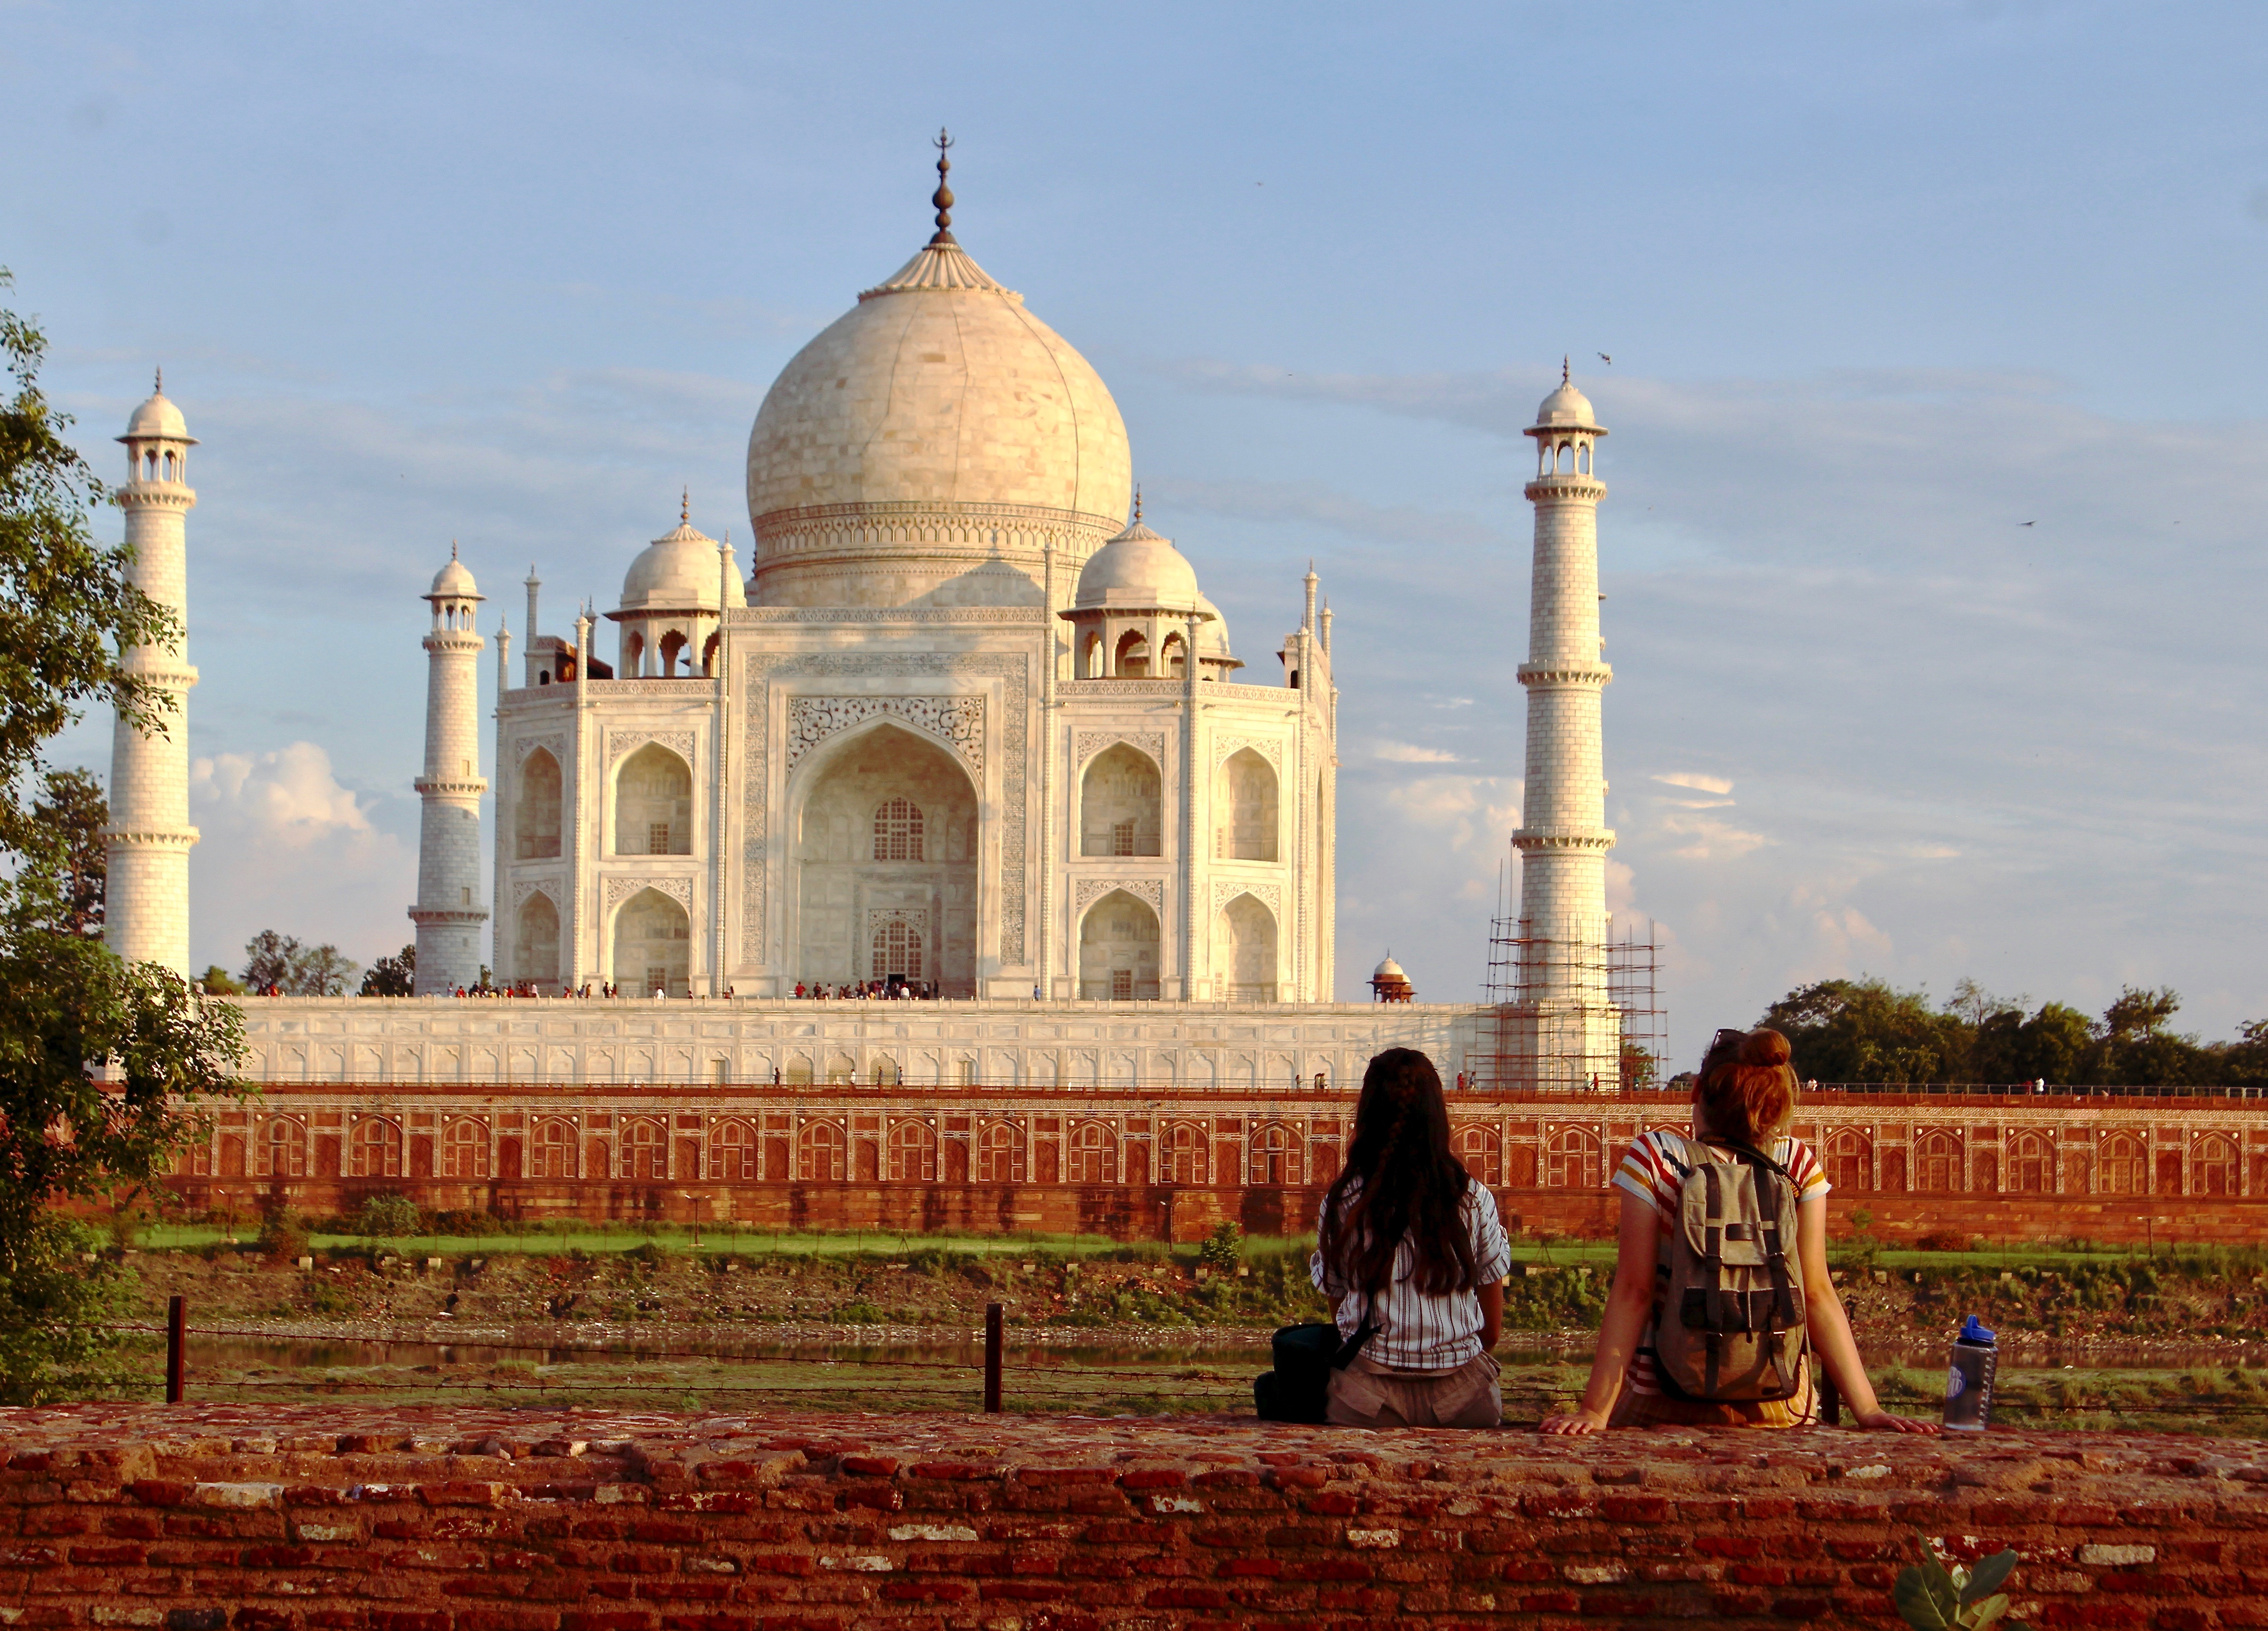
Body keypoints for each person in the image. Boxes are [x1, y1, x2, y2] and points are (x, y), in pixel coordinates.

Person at [1542, 1027, 1936, 1436]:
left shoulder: (1656, 1157)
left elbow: (1634, 1291)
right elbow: (1816, 1293)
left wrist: (1593, 1411)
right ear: (1774, 1104)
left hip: (1662, 1400)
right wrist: (1868, 1409)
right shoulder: (1795, 1164)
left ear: (1695, 1091)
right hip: (1778, 1399)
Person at [1310, 1047, 1511, 1429]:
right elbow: (1491, 1330)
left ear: (1366, 1113)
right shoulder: (1470, 1197)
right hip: (1464, 1400)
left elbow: (1339, 1314)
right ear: (1437, 1114)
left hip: (1366, 1400)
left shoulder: (1344, 1201)